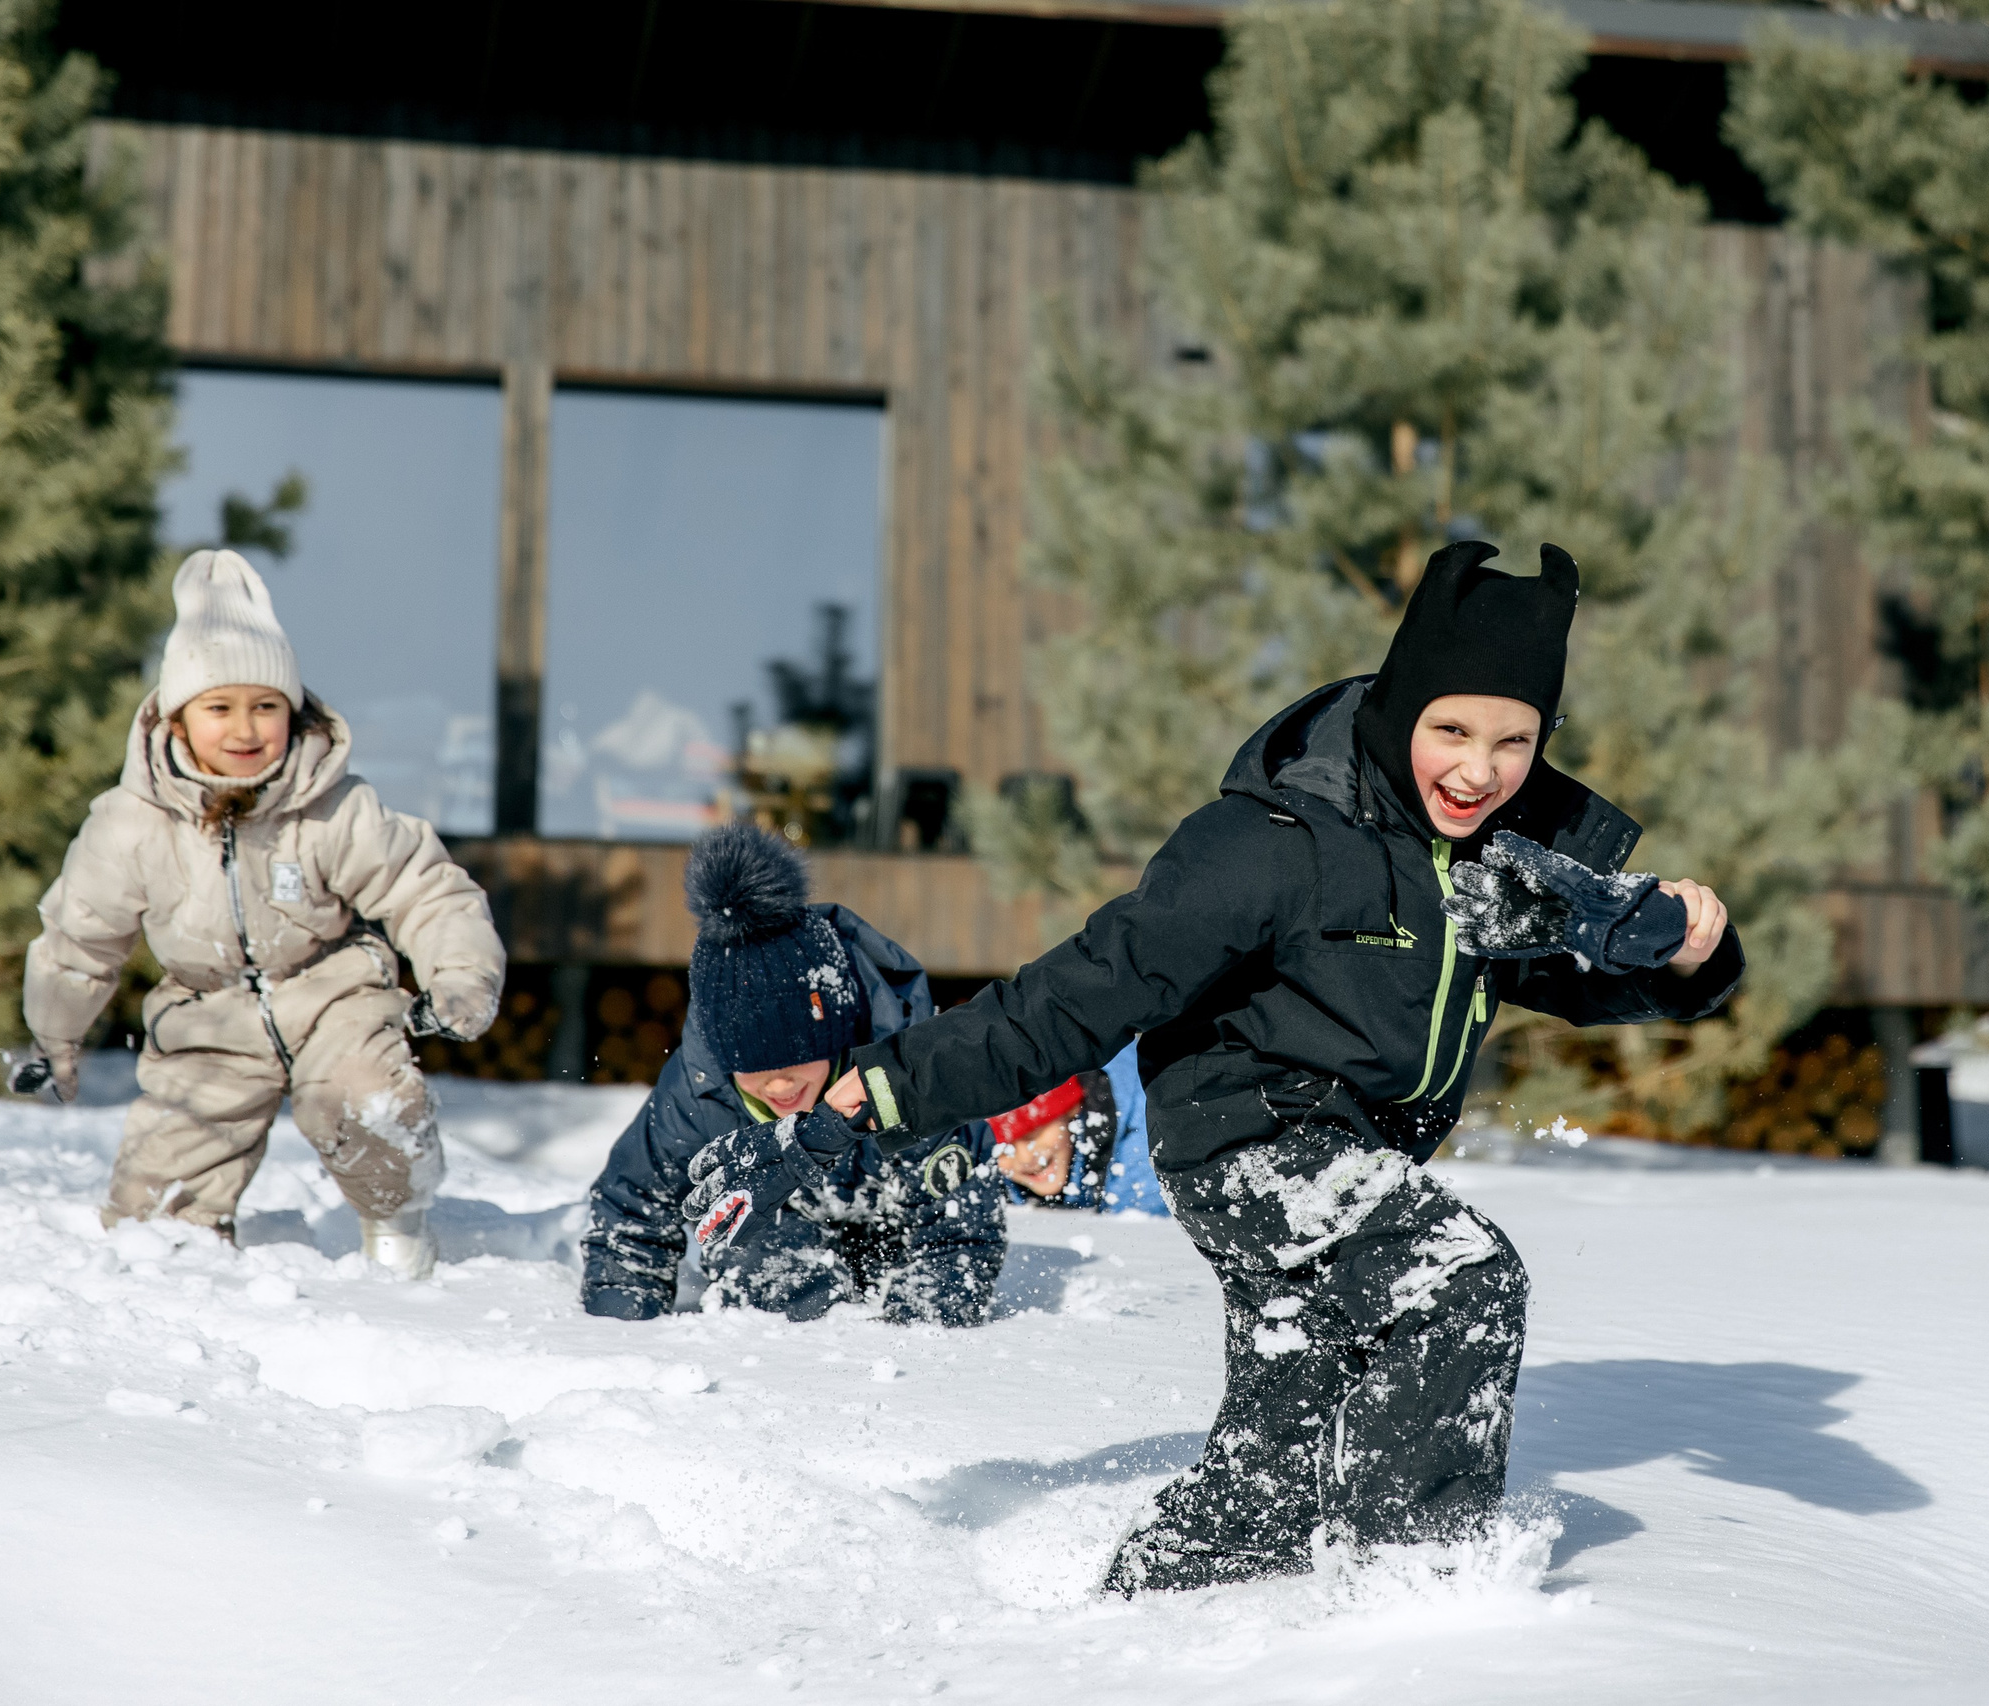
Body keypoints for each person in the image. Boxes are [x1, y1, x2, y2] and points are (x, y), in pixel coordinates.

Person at [707, 540, 1741, 1594]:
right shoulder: (1272, 842)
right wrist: (881, 1087)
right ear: (1397, 711)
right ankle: (1418, 1591)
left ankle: (1140, 1606)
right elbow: (1074, 996)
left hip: (1350, 1151)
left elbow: (1575, 974)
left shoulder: (1488, 858)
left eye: (1514, 739)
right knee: (1458, 1280)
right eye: (1452, 730)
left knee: (1286, 1446)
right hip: (1247, 1136)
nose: (1480, 768)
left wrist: (1687, 956)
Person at [12, 551, 504, 1280]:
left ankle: (399, 1226)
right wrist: (55, 1034)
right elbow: (79, 936)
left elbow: (425, 888)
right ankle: (181, 1275)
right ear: (176, 721)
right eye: (219, 708)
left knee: (363, 1100)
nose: (245, 730)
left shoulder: (332, 806)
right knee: (157, 1205)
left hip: (330, 990)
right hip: (206, 1014)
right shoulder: (131, 824)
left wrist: (461, 974)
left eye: (266, 707)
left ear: (293, 711)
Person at [579, 823, 1005, 1326]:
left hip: (890, 1249)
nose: (780, 1086)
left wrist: (914, 1334)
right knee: (746, 1237)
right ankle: (801, 1341)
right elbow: (630, 1210)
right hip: (776, 1265)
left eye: (798, 1059)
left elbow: (959, 1232)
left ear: (837, 1033)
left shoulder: (904, 1078)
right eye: (756, 1070)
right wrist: (623, 1330)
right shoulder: (701, 1095)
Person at [989, 1042, 1167, 1216]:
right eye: (1004, 1149)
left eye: (1033, 1135)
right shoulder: (995, 1184)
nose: (1026, 1157)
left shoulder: (1151, 1150)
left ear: (1071, 1108)